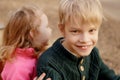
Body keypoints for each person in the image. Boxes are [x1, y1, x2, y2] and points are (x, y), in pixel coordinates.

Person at [36, 0, 120, 80]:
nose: (85, 39)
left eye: (91, 30)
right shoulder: (49, 64)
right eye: (75, 31)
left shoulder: (93, 54)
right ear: (62, 29)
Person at [0, 5, 51, 80]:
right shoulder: (18, 68)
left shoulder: (33, 55)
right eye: (47, 26)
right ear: (33, 33)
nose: (50, 30)